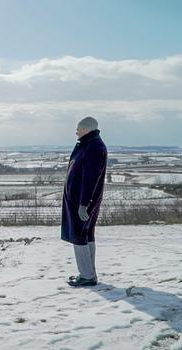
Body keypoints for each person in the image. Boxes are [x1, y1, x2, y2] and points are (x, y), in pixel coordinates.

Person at [61, 116, 107, 287]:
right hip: (78, 200)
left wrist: (83, 204)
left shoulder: (94, 147)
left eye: (79, 129)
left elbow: (90, 179)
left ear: (86, 130)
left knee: (79, 236)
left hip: (81, 202)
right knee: (84, 235)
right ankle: (89, 273)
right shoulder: (87, 144)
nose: (76, 132)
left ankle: (87, 275)